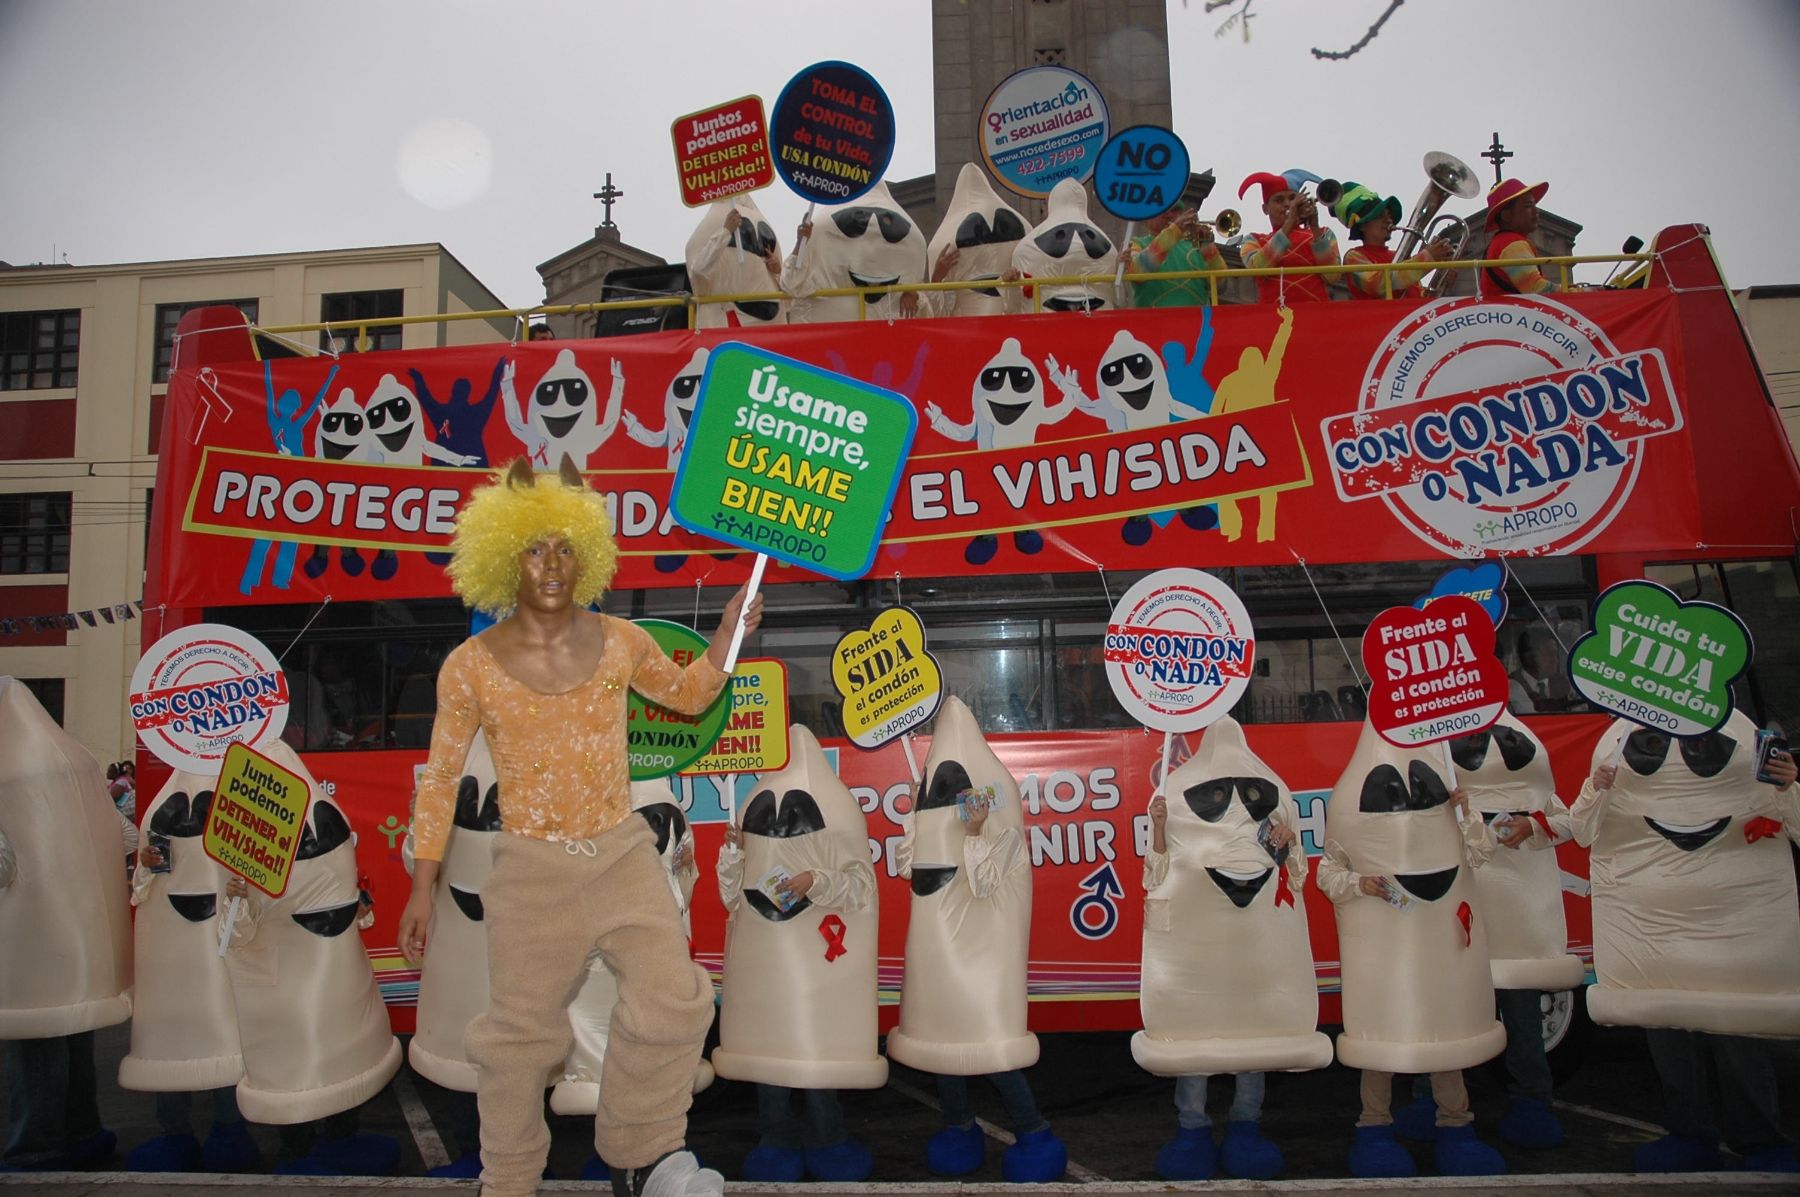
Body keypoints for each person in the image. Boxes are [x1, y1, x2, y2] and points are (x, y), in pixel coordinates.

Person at [398, 456, 761, 1197]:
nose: (553, 562)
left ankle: (642, 1153)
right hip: (529, 872)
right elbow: (438, 780)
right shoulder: (467, 666)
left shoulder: (622, 638)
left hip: (623, 853)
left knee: (677, 1000)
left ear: (588, 553)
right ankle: (507, 1179)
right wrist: (420, 887)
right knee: (518, 1045)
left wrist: (725, 632)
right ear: (503, 555)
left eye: (567, 545)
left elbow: (690, 697)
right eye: (536, 546)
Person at [1331, 183, 1454, 300]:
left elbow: (1416, 297)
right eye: (1379, 216)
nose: (1389, 220)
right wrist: (1427, 258)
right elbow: (1378, 285)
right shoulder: (1353, 257)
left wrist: (1442, 281)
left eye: (1389, 215)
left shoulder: (1399, 257)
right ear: (1362, 226)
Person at [1238, 171, 1340, 305]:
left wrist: (1315, 228)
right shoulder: (1253, 239)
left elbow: (1333, 276)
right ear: (1265, 209)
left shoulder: (1323, 233)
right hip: (1273, 319)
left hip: (1316, 316)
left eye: (1292, 198)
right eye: (1279, 200)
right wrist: (1289, 223)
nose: (1287, 204)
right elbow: (1257, 269)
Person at [1127, 203, 1225, 308]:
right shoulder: (1136, 243)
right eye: (1162, 209)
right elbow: (1137, 272)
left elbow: (1221, 286)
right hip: (1154, 321)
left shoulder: (1196, 245)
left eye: (1175, 210)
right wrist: (1174, 231)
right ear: (1146, 217)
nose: (1169, 214)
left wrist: (1207, 247)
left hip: (1197, 321)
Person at [1482, 179, 1559, 295]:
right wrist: (1577, 292)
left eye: (1535, 205)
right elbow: (1538, 289)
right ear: (1506, 215)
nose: (1536, 211)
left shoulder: (1501, 242)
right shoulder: (1512, 243)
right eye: (1528, 206)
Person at [1508, 628, 1570, 713]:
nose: (1555, 660)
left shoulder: (1562, 682)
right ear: (1529, 658)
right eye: (1549, 654)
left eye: (1555, 653)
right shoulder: (1511, 685)